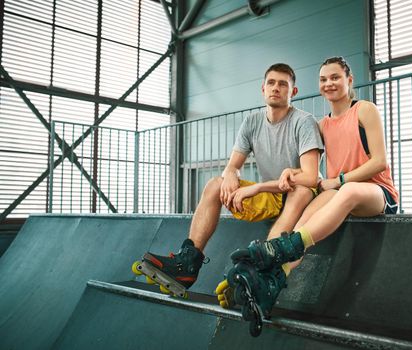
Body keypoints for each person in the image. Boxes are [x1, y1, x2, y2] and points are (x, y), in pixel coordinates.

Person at [217, 56, 399, 331]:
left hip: (377, 192)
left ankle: (276, 254)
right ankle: (271, 282)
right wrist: (292, 171)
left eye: (335, 77)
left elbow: (379, 162)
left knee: (346, 192)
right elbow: (311, 167)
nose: (329, 83)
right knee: (301, 228)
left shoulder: (364, 110)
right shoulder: (321, 125)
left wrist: (338, 180)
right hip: (338, 190)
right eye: (323, 79)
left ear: (349, 81)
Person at [134, 63, 324, 298]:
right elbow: (233, 165)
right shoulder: (252, 122)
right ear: (262, 88)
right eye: (271, 83)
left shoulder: (304, 121)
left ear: (293, 92)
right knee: (215, 184)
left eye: (283, 84)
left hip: (301, 194)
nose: (276, 88)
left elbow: (310, 177)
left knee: (301, 191)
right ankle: (187, 264)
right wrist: (231, 175)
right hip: (270, 197)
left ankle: (260, 275)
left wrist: (255, 188)